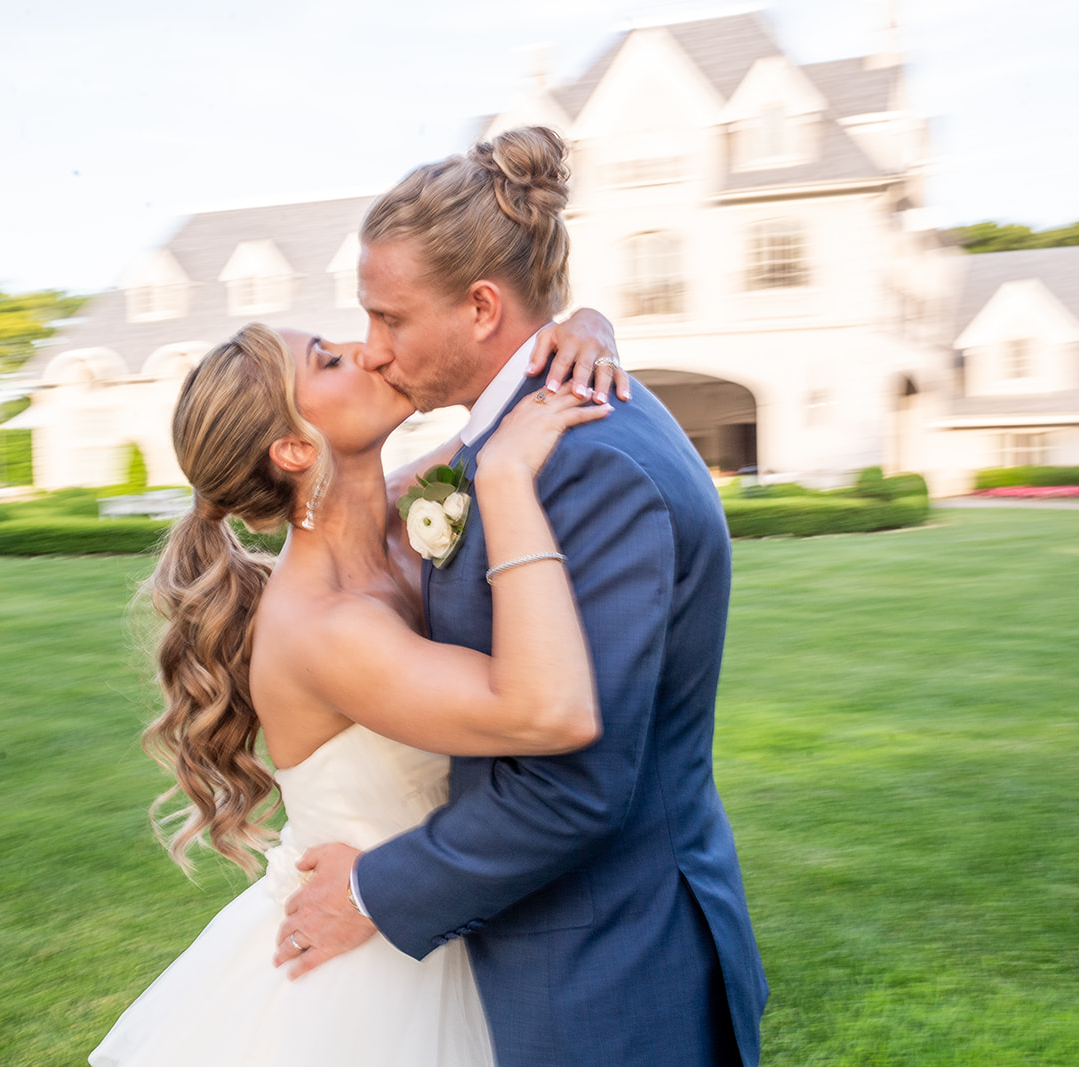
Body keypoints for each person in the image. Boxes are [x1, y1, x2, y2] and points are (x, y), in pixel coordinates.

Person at [276, 126, 769, 1066]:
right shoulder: (507, 435)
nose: (374, 351)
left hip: (611, 972)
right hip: (541, 950)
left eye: (390, 320)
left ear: (481, 308)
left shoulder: (584, 465)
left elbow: (576, 786)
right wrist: (584, 322)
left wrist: (374, 891)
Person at [88, 310, 624, 1066]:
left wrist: (589, 327)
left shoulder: (403, 516)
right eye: (331, 360)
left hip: (448, 920)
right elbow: (549, 710)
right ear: (297, 448)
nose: (369, 351)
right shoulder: (327, 624)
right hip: (367, 980)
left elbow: (490, 420)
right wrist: (504, 483)